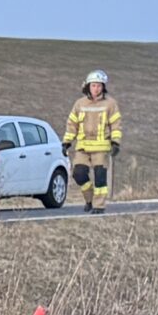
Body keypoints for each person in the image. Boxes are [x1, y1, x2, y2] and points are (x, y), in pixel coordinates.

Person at [63, 69, 123, 212]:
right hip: (83, 147)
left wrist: (115, 142)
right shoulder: (79, 104)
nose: (96, 88)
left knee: (100, 178)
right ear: (88, 86)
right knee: (79, 174)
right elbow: (72, 124)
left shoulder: (110, 104)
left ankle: (99, 206)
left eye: (99, 85)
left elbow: (116, 124)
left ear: (103, 87)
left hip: (101, 148)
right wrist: (66, 142)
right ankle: (89, 199)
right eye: (94, 85)